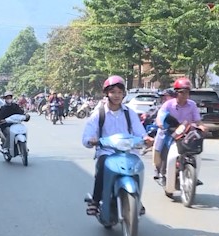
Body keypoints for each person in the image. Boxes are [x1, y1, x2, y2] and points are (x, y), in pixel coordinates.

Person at [82, 75, 153, 216]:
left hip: (128, 151)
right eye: (113, 92)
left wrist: (146, 138)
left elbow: (139, 131)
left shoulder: (129, 113)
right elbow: (87, 135)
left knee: (138, 167)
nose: (116, 95)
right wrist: (91, 140)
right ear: (107, 93)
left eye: (120, 92)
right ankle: (95, 201)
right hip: (107, 152)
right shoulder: (99, 114)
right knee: (102, 166)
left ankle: (137, 198)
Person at [155, 78, 206, 183]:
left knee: (195, 149)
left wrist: (202, 127)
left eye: (187, 92)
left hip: (186, 132)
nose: (184, 95)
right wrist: (160, 124)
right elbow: (160, 116)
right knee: (163, 148)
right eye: (182, 92)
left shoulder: (192, 104)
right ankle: (161, 173)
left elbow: (198, 120)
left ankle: (193, 174)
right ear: (176, 93)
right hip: (170, 131)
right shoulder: (168, 104)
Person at [151, 88, 176, 178]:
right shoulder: (162, 107)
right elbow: (156, 116)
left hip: (178, 132)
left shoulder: (178, 106)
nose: (165, 98)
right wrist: (159, 123)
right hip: (164, 131)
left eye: (167, 96)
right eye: (164, 97)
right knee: (158, 149)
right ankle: (157, 169)